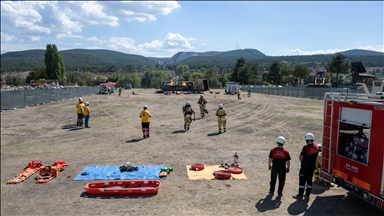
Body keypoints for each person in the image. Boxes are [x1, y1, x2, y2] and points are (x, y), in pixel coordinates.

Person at [293, 133, 319, 200]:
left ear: (307, 140)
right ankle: (307, 195)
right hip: (312, 168)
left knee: (302, 181)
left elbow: (301, 157)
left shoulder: (305, 148)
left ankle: (300, 195)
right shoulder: (316, 147)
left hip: (304, 168)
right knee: (309, 181)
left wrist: (303, 162)